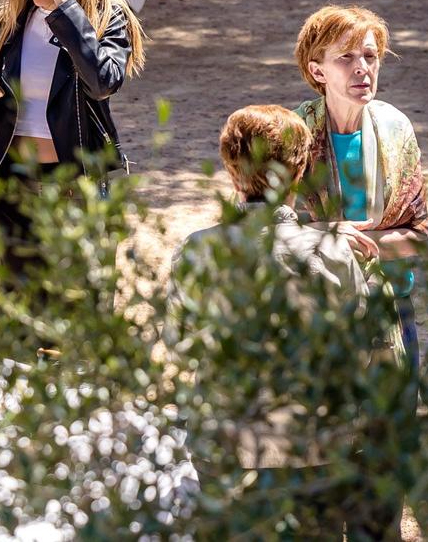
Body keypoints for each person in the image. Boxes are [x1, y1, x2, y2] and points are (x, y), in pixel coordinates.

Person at [169, 104, 402, 540]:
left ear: (231, 169)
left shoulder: (197, 252)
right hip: (317, 447)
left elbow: (180, 344)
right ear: (300, 171)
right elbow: (374, 351)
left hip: (226, 447)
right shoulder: (335, 253)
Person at [0, 0, 145, 352]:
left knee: (80, 310)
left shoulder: (105, 18)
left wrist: (65, 11)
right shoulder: (10, 21)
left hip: (74, 181)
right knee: (22, 312)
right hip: (12, 179)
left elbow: (103, 82)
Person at [289, 4, 428, 369]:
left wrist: (342, 242)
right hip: (316, 308)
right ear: (316, 70)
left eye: (370, 56)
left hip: (393, 306)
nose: (362, 68)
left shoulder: (397, 130)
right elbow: (267, 227)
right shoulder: (293, 134)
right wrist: (330, 235)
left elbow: (417, 234)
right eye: (345, 57)